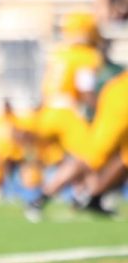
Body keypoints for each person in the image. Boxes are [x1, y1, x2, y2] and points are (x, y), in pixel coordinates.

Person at [24, 11, 103, 220]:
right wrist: (103, 109)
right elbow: (85, 90)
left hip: (47, 112)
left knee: (76, 160)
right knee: (93, 155)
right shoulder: (85, 56)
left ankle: (86, 196)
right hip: (65, 113)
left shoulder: (60, 53)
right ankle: (50, 198)